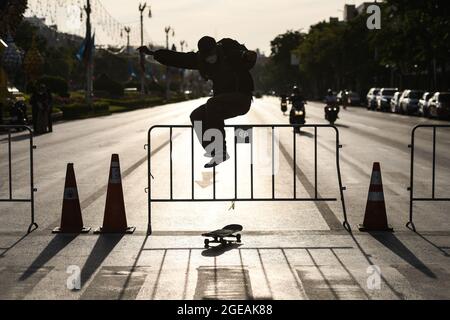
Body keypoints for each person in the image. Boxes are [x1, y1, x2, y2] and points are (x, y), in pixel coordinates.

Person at [139, 36, 257, 168]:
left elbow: (247, 57)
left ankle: (220, 150)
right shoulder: (201, 60)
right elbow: (178, 59)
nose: (210, 59)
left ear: (216, 50)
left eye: (211, 55)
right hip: (222, 103)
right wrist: (153, 53)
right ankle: (214, 151)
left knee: (212, 104)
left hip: (240, 98)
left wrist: (248, 56)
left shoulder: (229, 54)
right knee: (196, 116)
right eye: (206, 56)